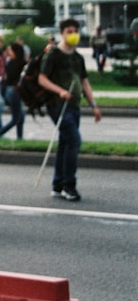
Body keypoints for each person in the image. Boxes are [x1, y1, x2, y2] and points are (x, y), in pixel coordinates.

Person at [37, 18, 102, 201]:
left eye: (75, 31)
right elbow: (42, 79)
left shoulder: (78, 57)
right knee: (74, 140)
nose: (72, 34)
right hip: (57, 104)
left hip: (74, 105)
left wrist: (94, 105)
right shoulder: (54, 54)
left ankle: (58, 184)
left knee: (66, 143)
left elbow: (84, 81)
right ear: (62, 33)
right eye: (69, 31)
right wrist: (60, 91)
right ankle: (69, 185)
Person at [0, 42, 26, 139]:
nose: (8, 52)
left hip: (11, 91)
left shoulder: (11, 63)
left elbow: (6, 79)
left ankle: (19, 137)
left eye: (10, 50)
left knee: (21, 117)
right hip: (14, 91)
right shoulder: (17, 63)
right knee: (16, 119)